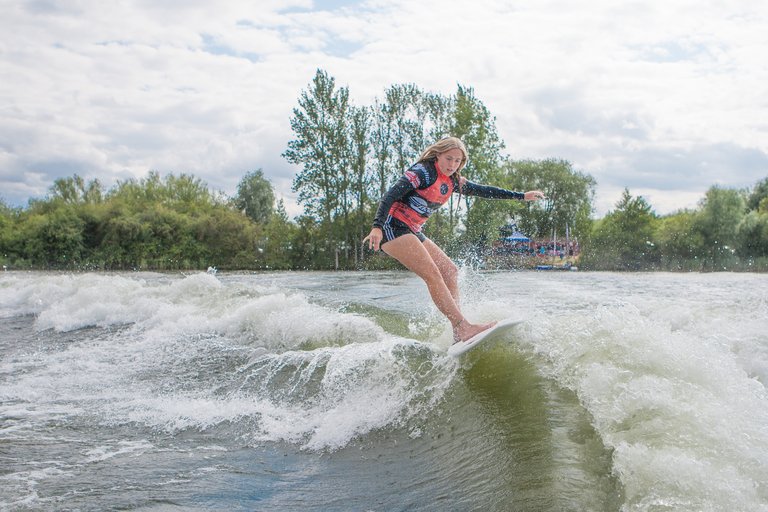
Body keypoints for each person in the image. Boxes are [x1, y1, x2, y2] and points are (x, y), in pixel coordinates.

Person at [363, 136, 545, 343]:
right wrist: (377, 227)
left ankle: (459, 328)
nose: (452, 165)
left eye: (457, 161)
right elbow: (390, 195)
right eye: (448, 159)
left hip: (412, 229)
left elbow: (484, 190)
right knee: (433, 273)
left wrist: (521, 196)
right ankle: (462, 326)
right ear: (438, 155)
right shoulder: (423, 172)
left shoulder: (452, 181)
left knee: (450, 271)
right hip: (391, 227)